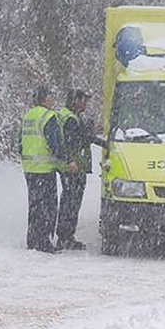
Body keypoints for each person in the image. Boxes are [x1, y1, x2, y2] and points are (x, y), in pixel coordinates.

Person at [54, 89, 109, 251]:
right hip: (73, 167)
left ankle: (65, 236)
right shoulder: (71, 119)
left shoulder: (66, 115)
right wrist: (102, 142)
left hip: (70, 165)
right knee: (71, 202)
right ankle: (65, 237)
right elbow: (78, 140)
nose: (86, 103)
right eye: (83, 100)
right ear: (74, 101)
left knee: (69, 201)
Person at [20, 86, 66, 253]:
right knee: (48, 207)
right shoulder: (49, 116)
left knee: (34, 205)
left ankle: (32, 239)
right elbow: (55, 144)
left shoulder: (28, 116)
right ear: (45, 98)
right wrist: (66, 161)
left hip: (30, 169)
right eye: (51, 96)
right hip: (45, 170)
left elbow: (20, 143)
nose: (53, 99)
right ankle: (44, 241)